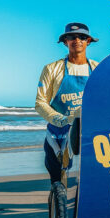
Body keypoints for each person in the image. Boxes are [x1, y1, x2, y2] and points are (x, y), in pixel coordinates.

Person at [36, 23, 99, 185]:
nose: (77, 40)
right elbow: (40, 102)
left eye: (82, 37)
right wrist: (62, 120)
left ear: (88, 41)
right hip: (58, 132)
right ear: (65, 42)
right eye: (71, 37)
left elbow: (105, 101)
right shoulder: (52, 69)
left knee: (91, 181)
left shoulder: (98, 69)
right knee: (57, 181)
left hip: (89, 134)